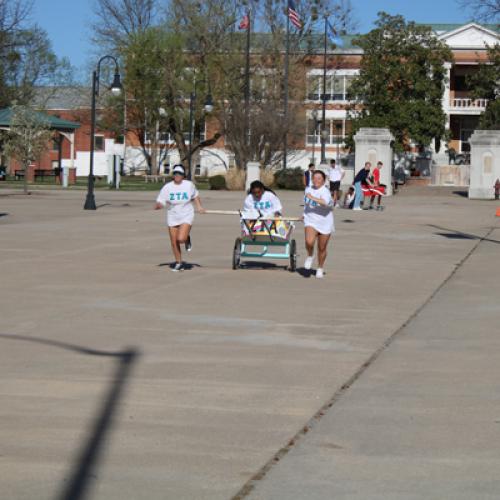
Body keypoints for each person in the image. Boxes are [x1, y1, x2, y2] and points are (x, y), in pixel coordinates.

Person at [155, 164, 205, 272]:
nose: (177, 176)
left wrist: (199, 207)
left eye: (180, 174)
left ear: (183, 176)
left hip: (186, 214)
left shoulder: (189, 185)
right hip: (173, 215)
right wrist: (159, 205)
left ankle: (186, 238)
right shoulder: (167, 187)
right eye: (175, 174)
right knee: (174, 242)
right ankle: (178, 263)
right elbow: (161, 200)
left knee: (180, 239)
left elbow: (195, 196)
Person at [303, 170, 334, 279]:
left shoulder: (325, 191)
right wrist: (304, 214)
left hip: (325, 221)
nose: (316, 180)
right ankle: (310, 256)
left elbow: (325, 202)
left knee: (322, 248)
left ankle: (320, 268)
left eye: (319, 178)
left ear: (323, 180)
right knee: (309, 242)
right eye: (314, 178)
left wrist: (312, 198)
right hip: (311, 220)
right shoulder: (308, 188)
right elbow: (307, 204)